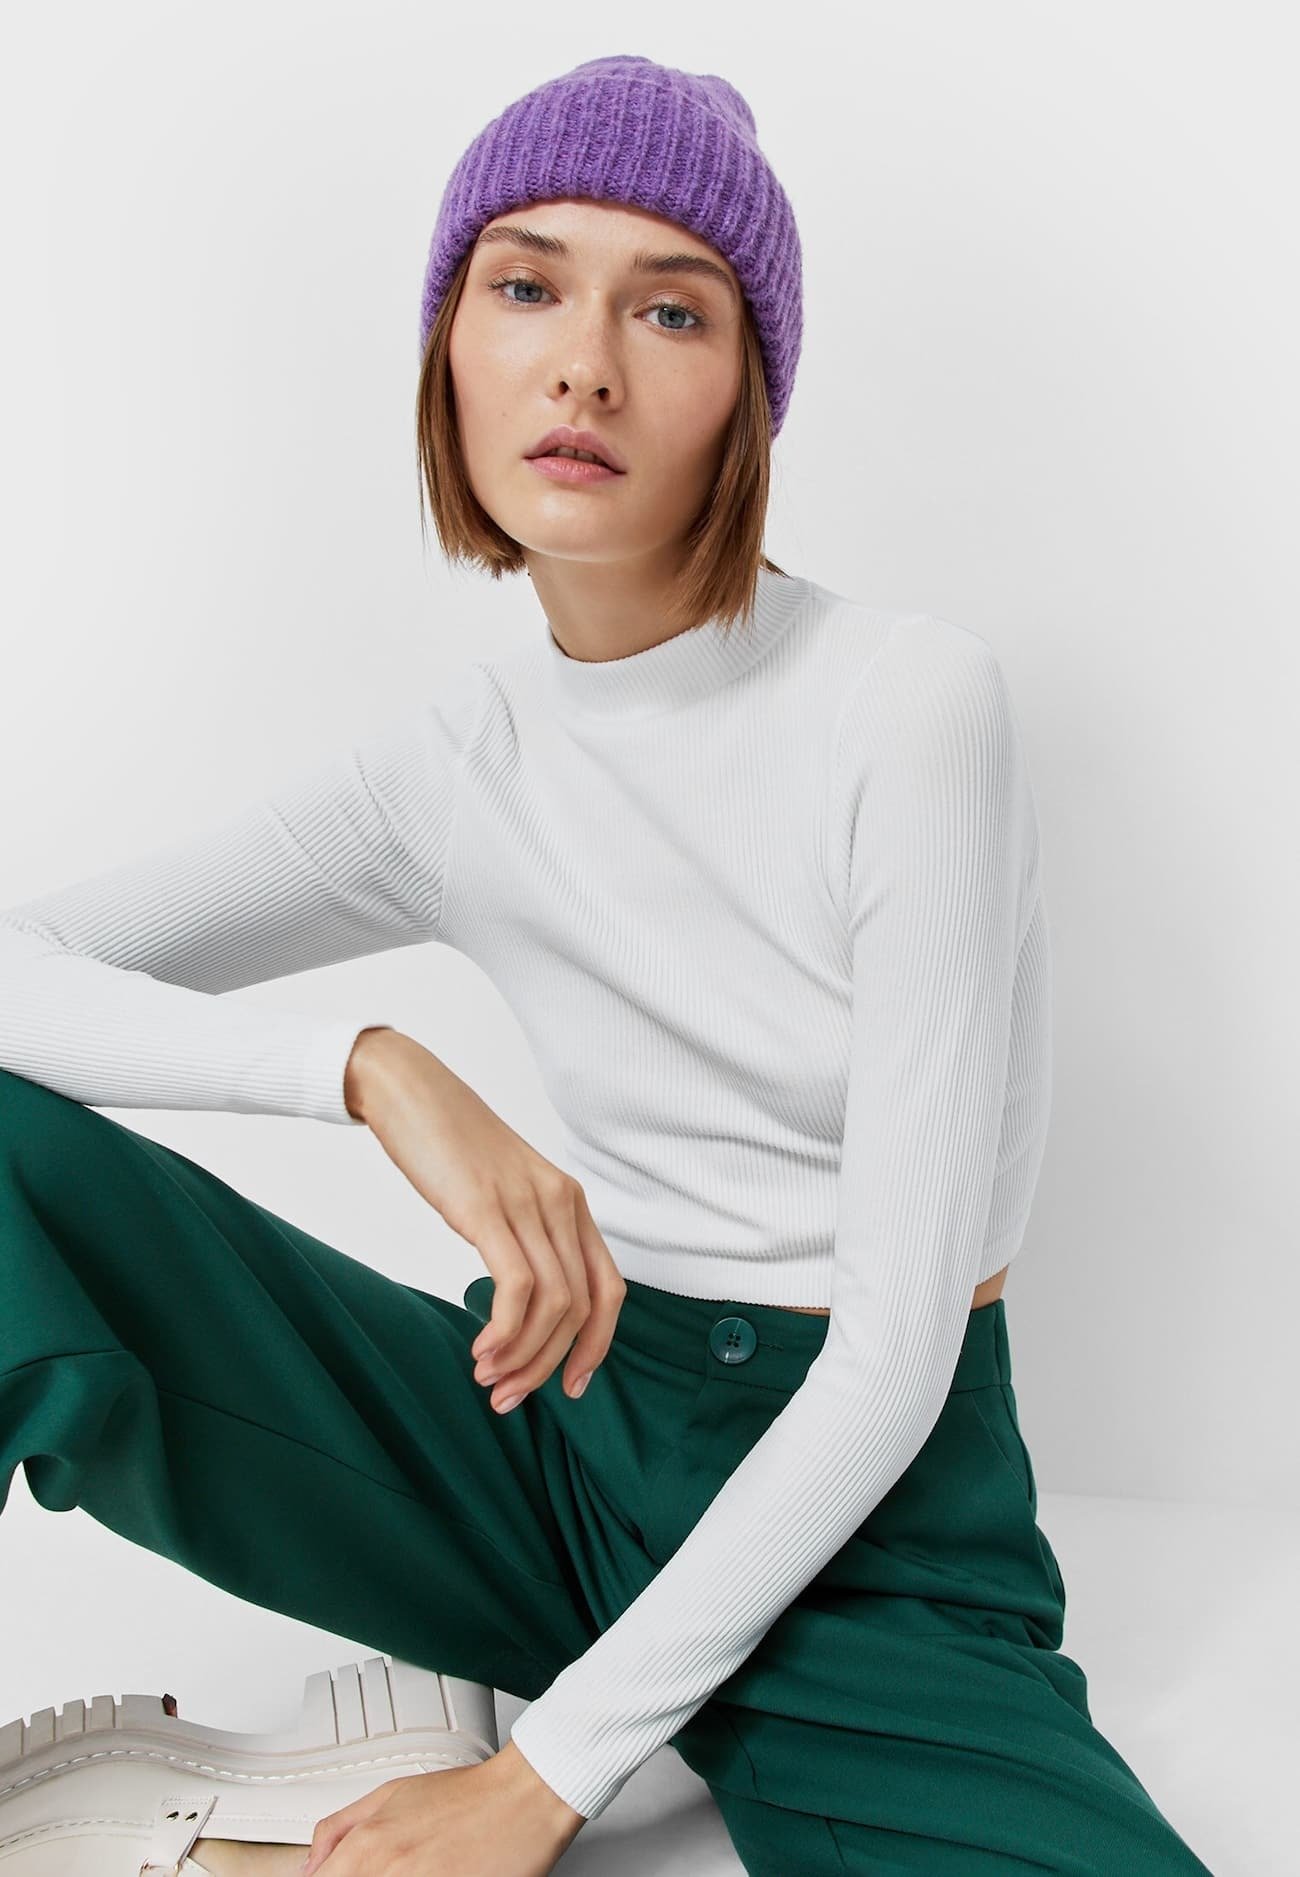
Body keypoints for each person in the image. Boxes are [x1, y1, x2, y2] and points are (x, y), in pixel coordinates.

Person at [0, 52, 1214, 1877]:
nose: (584, 365)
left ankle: (578, 1715)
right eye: (525, 285)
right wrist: (367, 1068)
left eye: (669, 308)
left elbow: (891, 1361)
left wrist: (540, 1780)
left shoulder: (908, 707)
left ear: (750, 394)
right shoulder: (455, 767)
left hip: (872, 1528)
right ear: (451, 348)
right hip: (570, 1445)